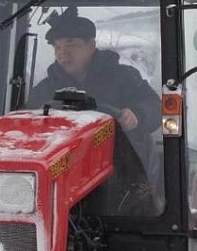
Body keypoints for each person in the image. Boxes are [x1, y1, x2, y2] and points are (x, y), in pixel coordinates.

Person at [28, 11, 163, 215]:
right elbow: (26, 123)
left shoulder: (123, 78)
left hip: (123, 171)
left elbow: (154, 105)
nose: (62, 53)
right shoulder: (46, 89)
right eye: (57, 47)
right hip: (65, 173)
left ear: (91, 46)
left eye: (71, 44)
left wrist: (137, 114)